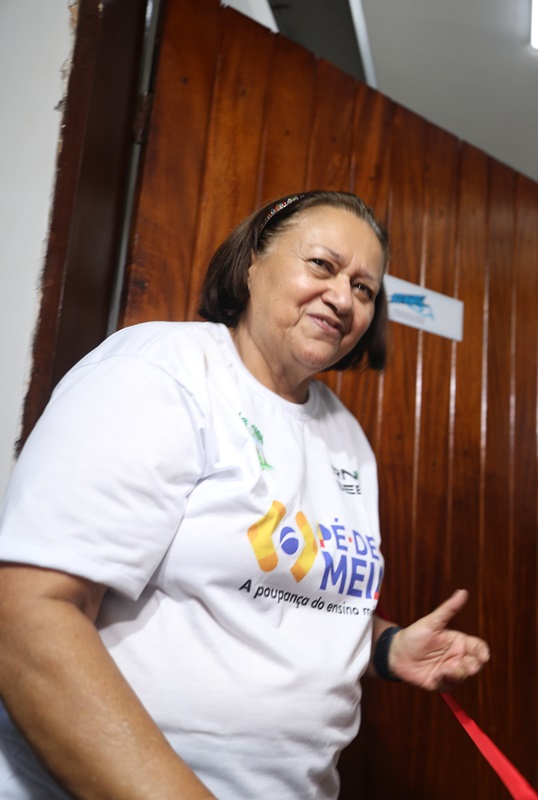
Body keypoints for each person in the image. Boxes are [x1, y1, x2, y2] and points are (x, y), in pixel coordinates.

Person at [0, 191, 489, 799]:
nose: (343, 298)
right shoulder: (161, 371)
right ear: (254, 261)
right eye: (322, 265)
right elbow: (27, 614)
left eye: (364, 289)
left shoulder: (346, 438)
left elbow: (284, 601)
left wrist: (386, 645)